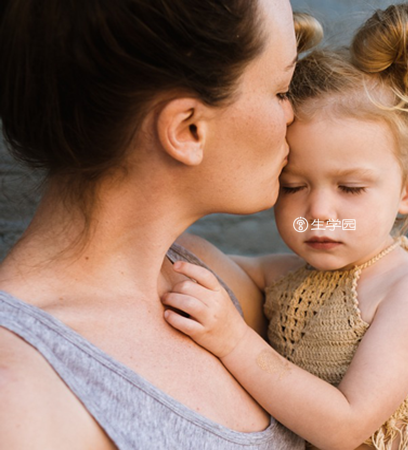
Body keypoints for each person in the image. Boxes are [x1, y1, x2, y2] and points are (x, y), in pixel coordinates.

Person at [0, 0, 320, 448]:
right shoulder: (20, 397)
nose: (294, 116)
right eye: (282, 90)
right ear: (188, 129)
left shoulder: (207, 276)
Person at [162, 4, 408, 450]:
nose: (319, 209)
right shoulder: (286, 276)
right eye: (293, 185)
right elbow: (200, 258)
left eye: (351, 188)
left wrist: (234, 341)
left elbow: (345, 426)